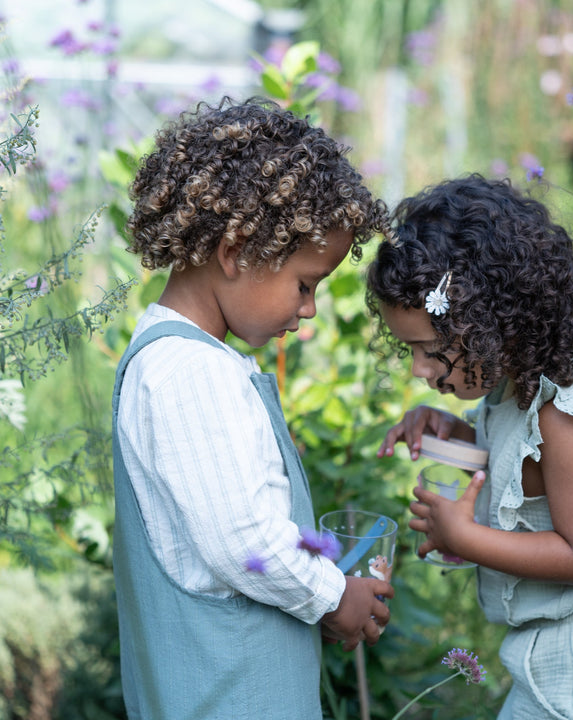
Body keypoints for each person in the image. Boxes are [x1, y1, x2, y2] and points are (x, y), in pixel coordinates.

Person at [112, 97, 394, 720]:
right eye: (305, 283)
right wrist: (331, 594)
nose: (310, 308)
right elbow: (241, 541)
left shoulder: (187, 361)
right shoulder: (190, 372)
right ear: (236, 251)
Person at [366, 174, 573, 719]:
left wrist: (465, 536)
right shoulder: (517, 386)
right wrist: (457, 434)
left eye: (426, 349)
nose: (418, 370)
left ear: (487, 323)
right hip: (556, 663)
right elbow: (521, 467)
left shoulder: (563, 414)